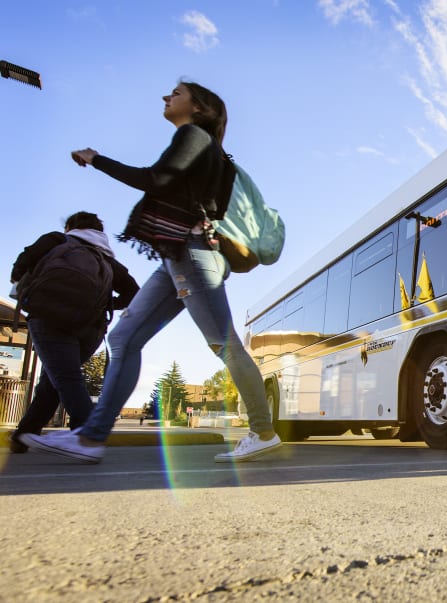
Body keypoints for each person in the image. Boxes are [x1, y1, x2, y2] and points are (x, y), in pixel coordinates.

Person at [24, 81, 281, 463]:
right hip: (178, 255)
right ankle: (90, 437)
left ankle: (263, 431)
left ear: (199, 108)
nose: (166, 97)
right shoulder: (211, 151)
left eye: (176, 93)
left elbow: (156, 179)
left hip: (193, 254)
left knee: (224, 344)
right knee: (124, 337)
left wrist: (97, 159)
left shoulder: (194, 135)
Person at [9, 211, 138, 453]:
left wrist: (27, 287)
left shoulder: (57, 240)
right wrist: (103, 304)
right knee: (55, 379)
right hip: (90, 328)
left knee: (65, 378)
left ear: (71, 226)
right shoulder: (106, 259)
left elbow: (22, 263)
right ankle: (23, 436)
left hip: (49, 317)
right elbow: (133, 293)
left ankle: (87, 437)